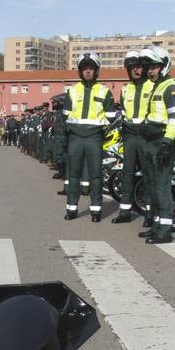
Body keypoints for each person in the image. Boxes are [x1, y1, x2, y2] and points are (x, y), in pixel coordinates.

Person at [59, 52, 117, 223]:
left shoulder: (104, 91)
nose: (88, 71)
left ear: (96, 71)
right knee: (74, 175)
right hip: (75, 137)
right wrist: (66, 136)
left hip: (94, 137)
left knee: (95, 175)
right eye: (85, 69)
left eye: (91, 68)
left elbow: (111, 116)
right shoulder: (72, 91)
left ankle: (96, 210)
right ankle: (71, 209)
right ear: (80, 71)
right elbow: (65, 116)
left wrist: (101, 132)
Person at [141, 45, 175, 244]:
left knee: (161, 186)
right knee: (151, 184)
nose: (150, 70)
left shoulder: (171, 87)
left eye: (154, 66)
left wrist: (167, 142)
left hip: (162, 141)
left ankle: (165, 230)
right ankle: (157, 225)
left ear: (164, 66)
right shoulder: (157, 86)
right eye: (148, 66)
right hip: (151, 141)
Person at [112, 50, 152, 225]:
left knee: (148, 174)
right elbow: (123, 112)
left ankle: (150, 213)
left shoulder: (152, 86)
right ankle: (125, 211)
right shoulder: (125, 89)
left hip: (146, 136)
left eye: (139, 67)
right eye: (133, 67)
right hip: (129, 136)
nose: (136, 70)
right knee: (127, 174)